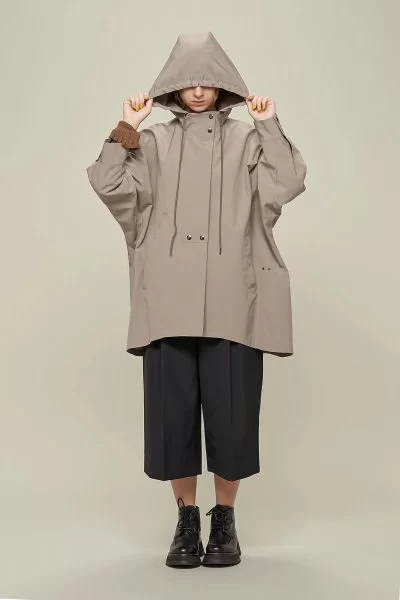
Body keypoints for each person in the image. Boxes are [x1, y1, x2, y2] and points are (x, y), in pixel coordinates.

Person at [86, 31, 307, 569]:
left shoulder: (247, 141)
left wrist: (268, 124)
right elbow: (109, 184)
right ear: (173, 87)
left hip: (234, 301)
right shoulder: (152, 143)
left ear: (225, 85)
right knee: (173, 420)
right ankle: (186, 520)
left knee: (233, 420)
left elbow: (288, 181)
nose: (200, 91)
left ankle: (224, 521)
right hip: (166, 301)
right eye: (189, 82)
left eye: (209, 81)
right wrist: (126, 127)